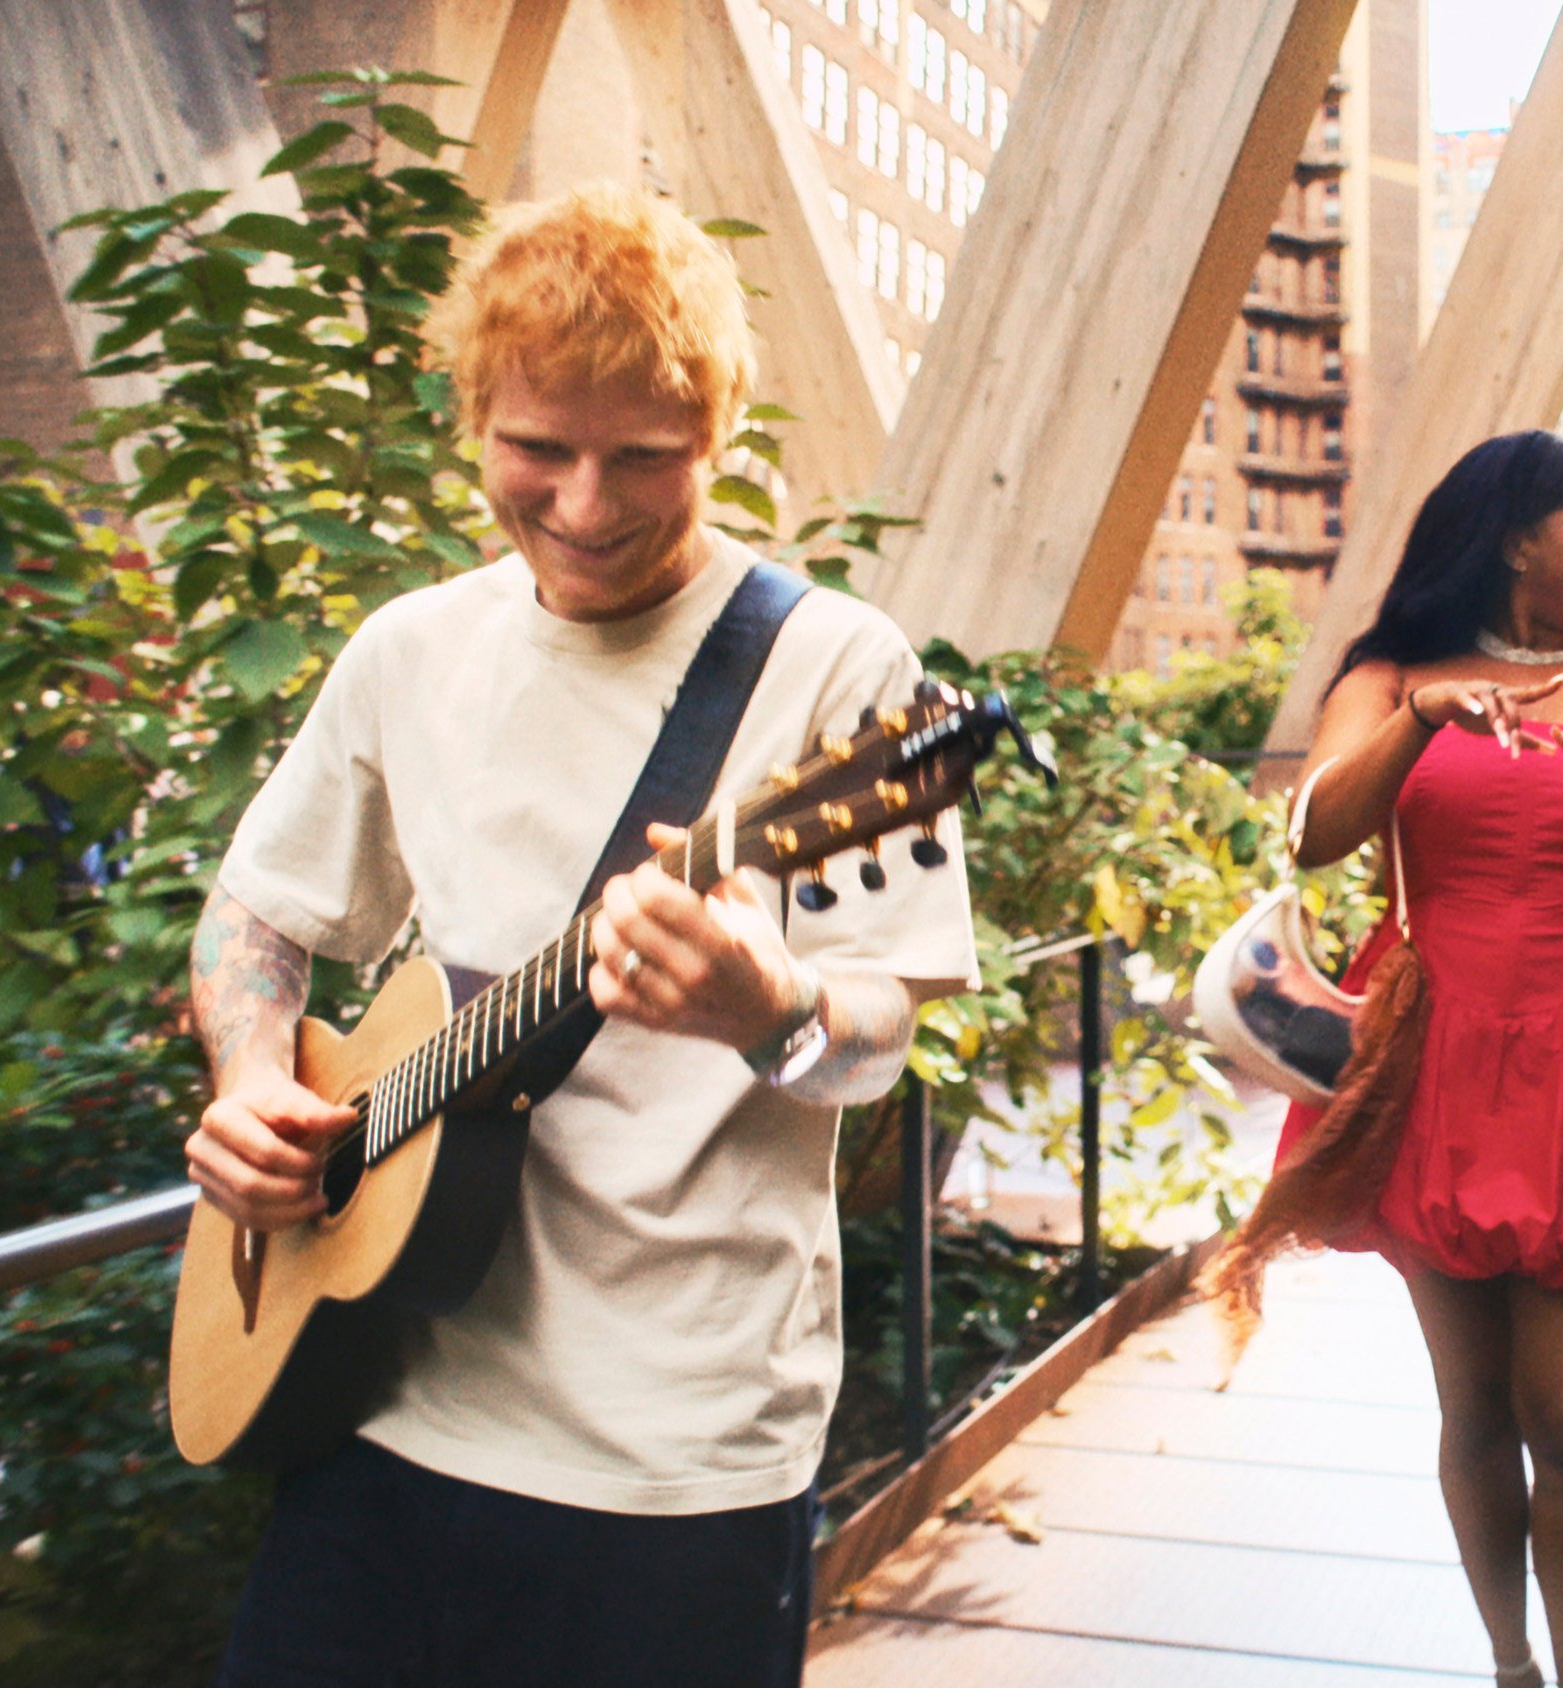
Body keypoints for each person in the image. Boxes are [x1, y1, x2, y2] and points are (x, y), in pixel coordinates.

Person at [182, 185, 975, 1687]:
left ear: (718, 435)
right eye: (539, 448)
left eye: (645, 458)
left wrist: (772, 1007)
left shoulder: (836, 670)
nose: (587, 507)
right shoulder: (411, 649)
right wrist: (250, 1078)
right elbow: (258, 912)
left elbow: (876, 1041)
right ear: (474, 417)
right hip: (372, 1407)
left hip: (674, 1467)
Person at [1224, 431, 1563, 1688]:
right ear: (1516, 538)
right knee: (1474, 1402)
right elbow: (1316, 830)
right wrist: (1416, 721)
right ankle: (1511, 1662)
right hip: (1437, 1059)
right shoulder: (1391, 674)